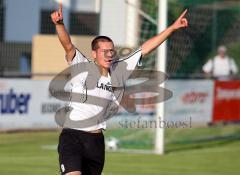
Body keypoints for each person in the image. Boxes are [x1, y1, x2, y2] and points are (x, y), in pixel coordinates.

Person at [51, 2, 188, 175]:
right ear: (94, 54)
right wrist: (59, 24)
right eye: (104, 51)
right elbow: (68, 45)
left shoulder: (119, 69)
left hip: (96, 142)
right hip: (73, 136)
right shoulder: (82, 66)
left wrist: (172, 29)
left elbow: (145, 48)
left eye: (111, 51)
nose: (109, 54)